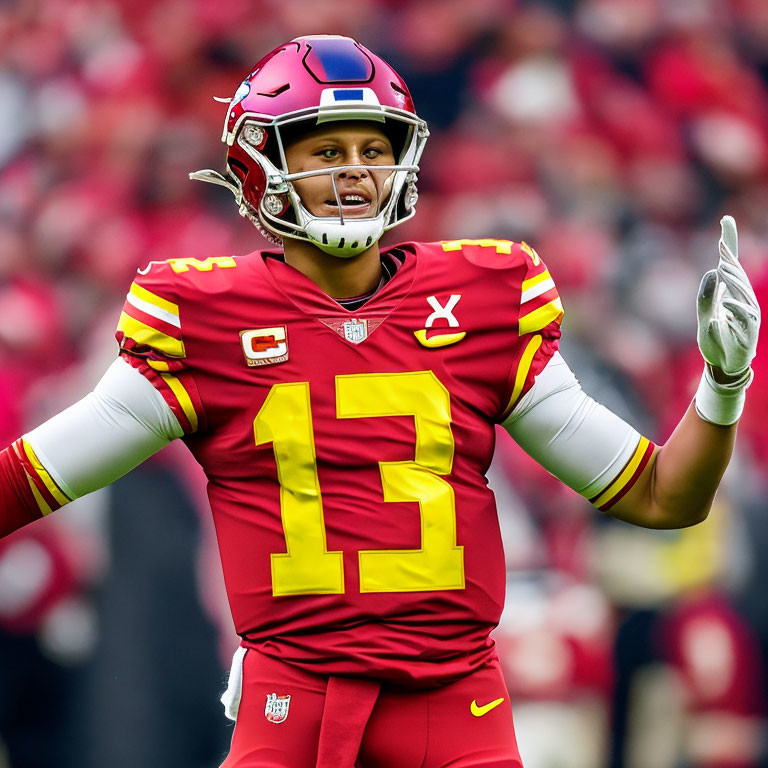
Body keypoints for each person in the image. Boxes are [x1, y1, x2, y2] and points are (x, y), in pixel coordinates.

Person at [0, 35, 760, 768]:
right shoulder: (202, 320)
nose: (356, 171)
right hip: (289, 702)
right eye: (326, 150)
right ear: (259, 164)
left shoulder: (484, 300)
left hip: (458, 707)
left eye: (374, 148)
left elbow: (662, 497)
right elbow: (32, 480)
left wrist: (723, 385)